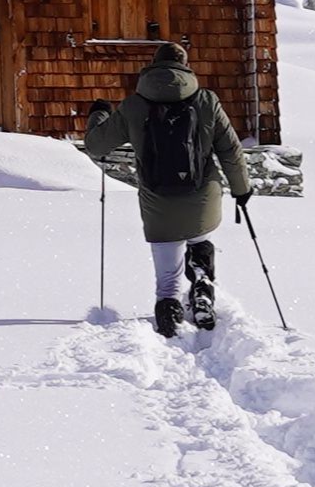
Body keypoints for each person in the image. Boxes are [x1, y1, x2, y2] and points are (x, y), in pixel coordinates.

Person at [78, 39, 252, 335]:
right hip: (202, 196)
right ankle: (202, 285)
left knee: (167, 279)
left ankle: (169, 312)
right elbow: (231, 151)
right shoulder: (206, 101)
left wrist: (99, 115)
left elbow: (96, 145)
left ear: (153, 67)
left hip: (158, 203)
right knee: (200, 238)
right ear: (186, 67)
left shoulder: (135, 105)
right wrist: (241, 190)